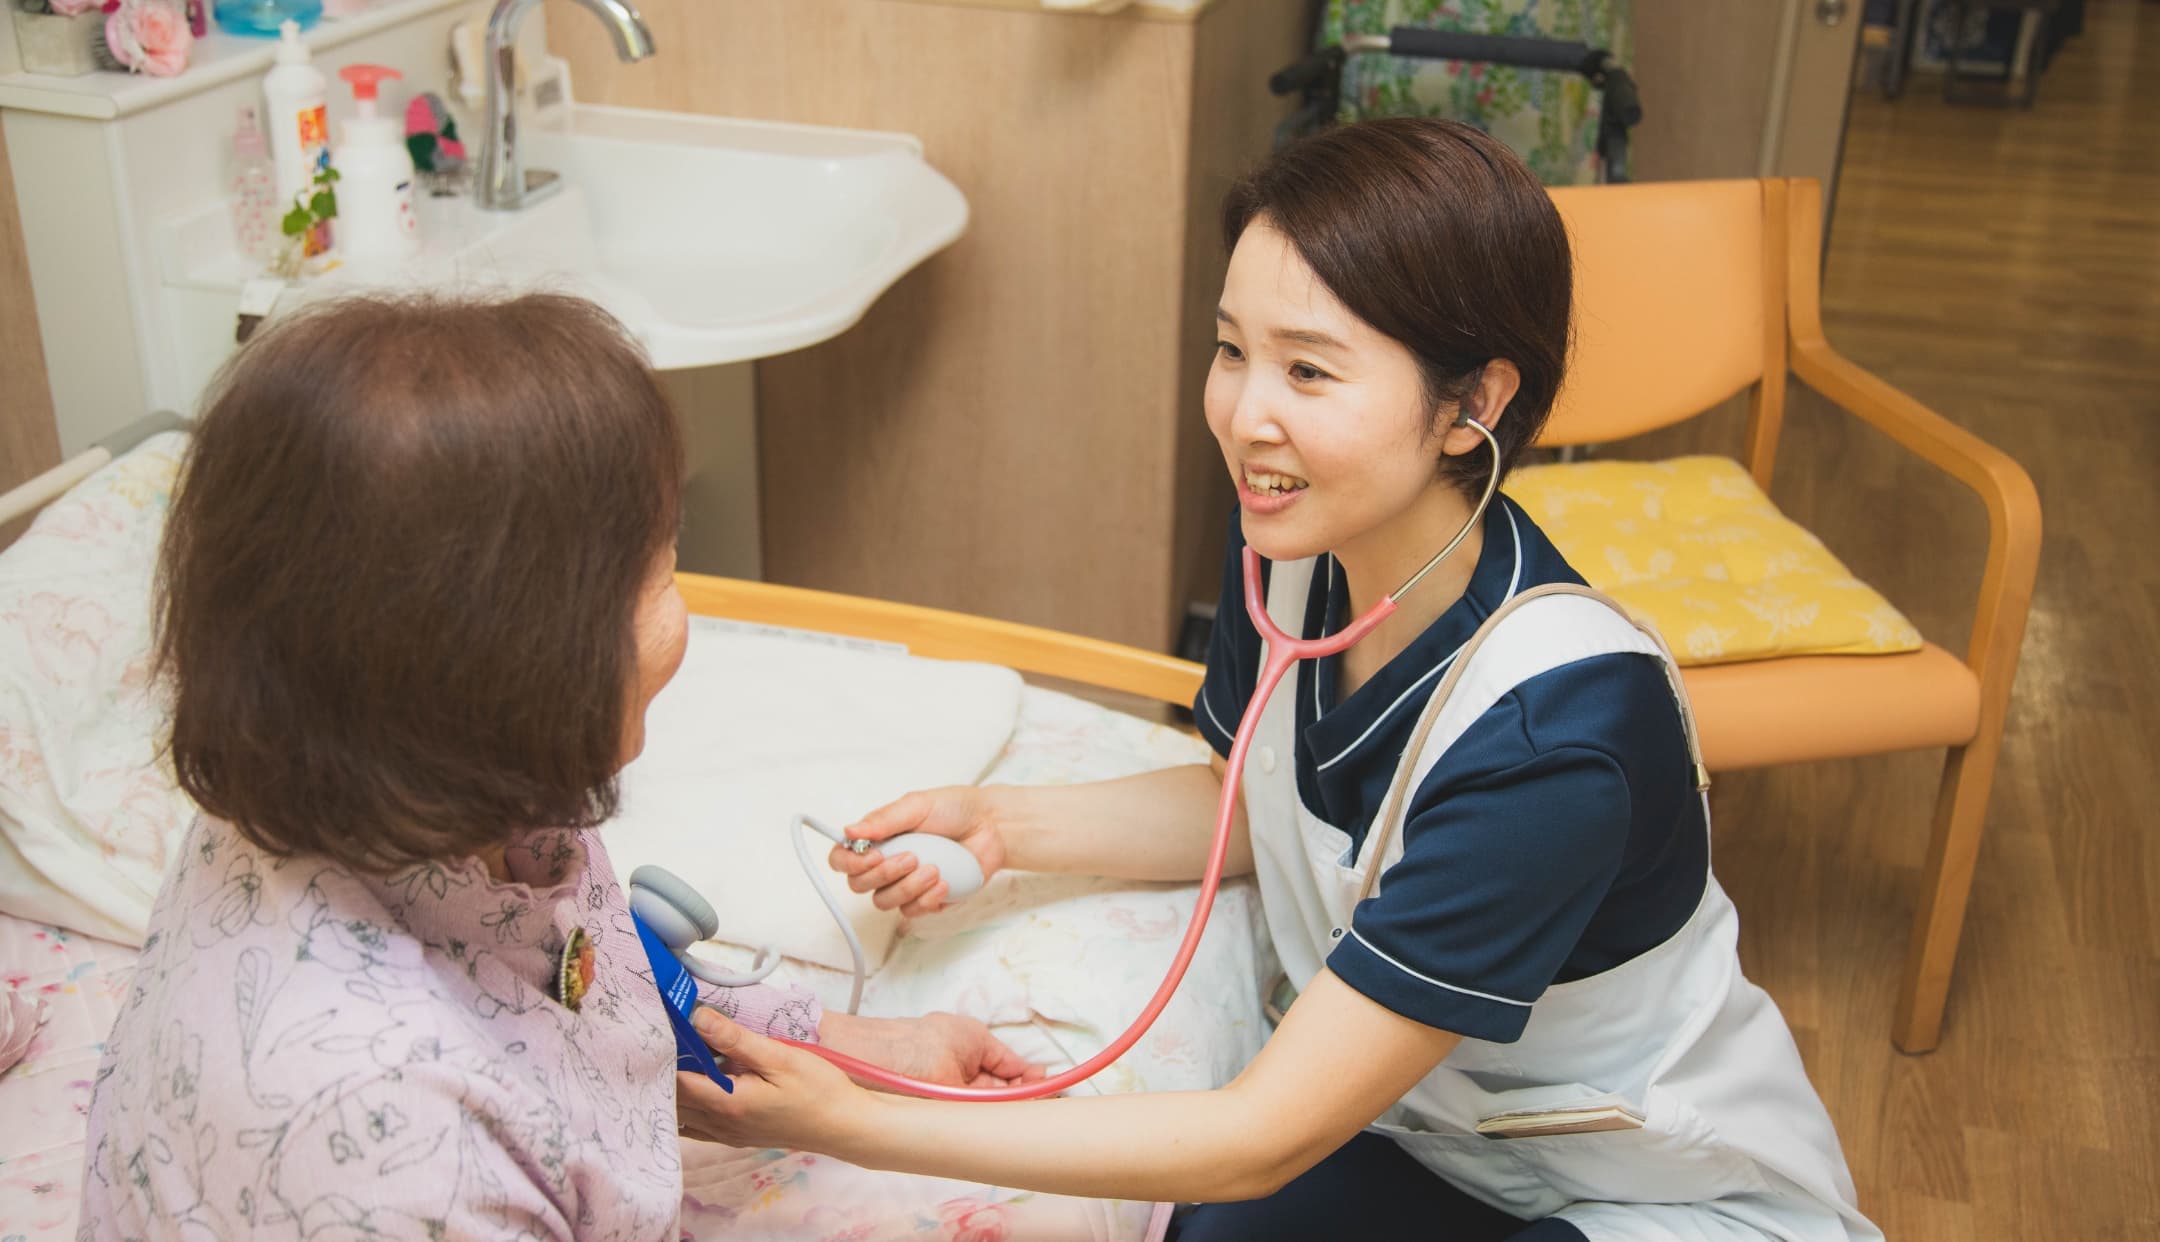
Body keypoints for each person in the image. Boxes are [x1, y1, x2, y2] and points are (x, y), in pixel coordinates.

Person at [676, 119, 1883, 1242]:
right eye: (1231, 349)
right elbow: (1261, 800)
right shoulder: (1296, 547)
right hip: (1437, 1134)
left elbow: (1261, 1138)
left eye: (1308, 372)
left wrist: (849, 1119)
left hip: (1641, 1188)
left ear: (1474, 402)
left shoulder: (1556, 736)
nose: (1245, 415)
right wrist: (1003, 825)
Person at [76, 294, 1037, 1240]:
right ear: (524, 661)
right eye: (663, 571)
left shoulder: (401, 771)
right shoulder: (391, 1143)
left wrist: (876, 1051)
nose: (682, 612)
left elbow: (599, 983)